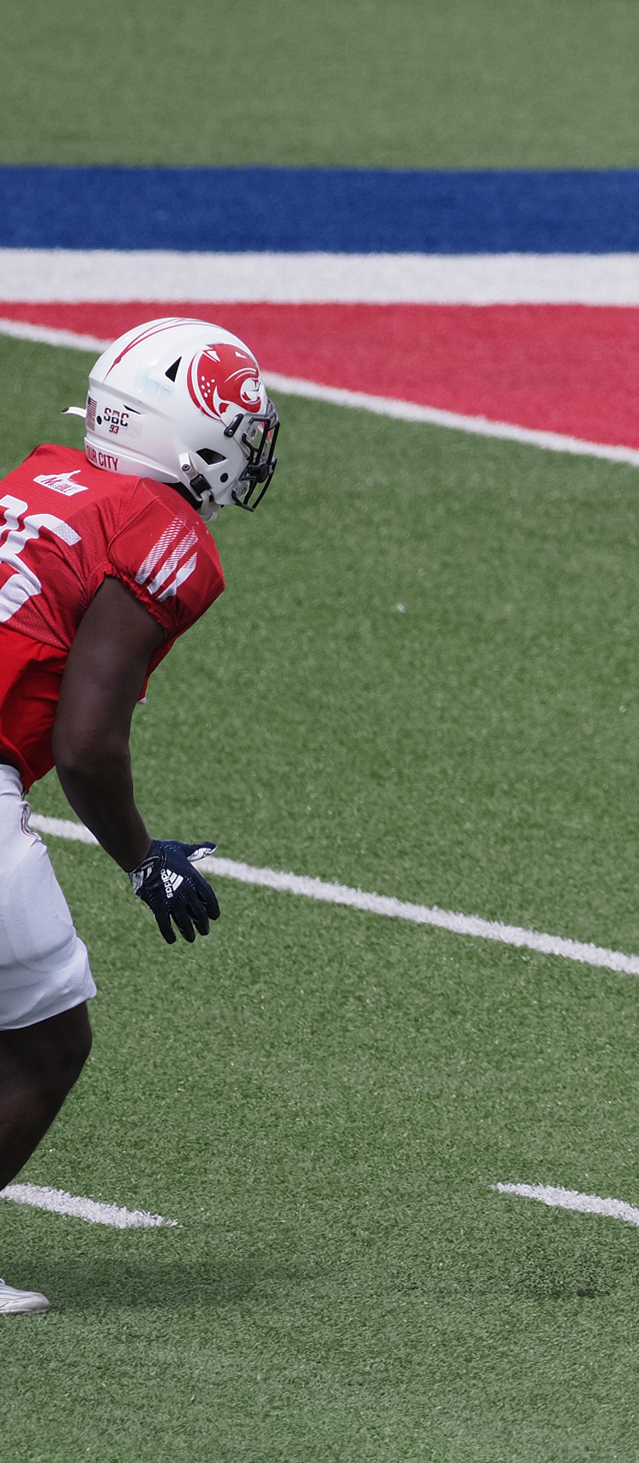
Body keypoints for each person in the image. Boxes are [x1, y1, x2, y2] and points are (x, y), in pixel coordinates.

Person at [0, 318, 279, 1314]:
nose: (250, 443)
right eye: (235, 422)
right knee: (45, 1043)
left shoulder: (40, 477)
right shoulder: (160, 531)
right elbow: (87, 741)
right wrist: (139, 859)